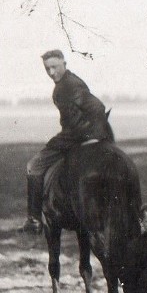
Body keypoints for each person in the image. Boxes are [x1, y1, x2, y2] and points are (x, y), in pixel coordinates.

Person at [21, 49, 112, 234]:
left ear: (64, 63)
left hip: (72, 138)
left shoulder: (70, 85)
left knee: (33, 166)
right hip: (74, 135)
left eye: (54, 67)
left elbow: (97, 107)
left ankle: (34, 219)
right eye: (47, 69)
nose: (51, 73)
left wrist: (93, 135)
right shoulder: (67, 83)